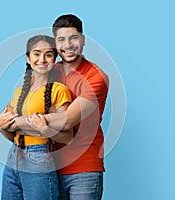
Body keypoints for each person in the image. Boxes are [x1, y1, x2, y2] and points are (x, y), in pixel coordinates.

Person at [9, 14, 109, 200]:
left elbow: (67, 120)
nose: (68, 45)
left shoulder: (95, 77)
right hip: (48, 165)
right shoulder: (49, 69)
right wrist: (13, 120)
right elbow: (17, 107)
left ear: (83, 40)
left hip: (83, 169)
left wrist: (16, 122)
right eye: (61, 39)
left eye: (74, 38)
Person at [0, 35, 73, 200]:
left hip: (40, 158)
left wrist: (44, 129)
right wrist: (2, 128)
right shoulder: (18, 93)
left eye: (48, 54)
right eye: (36, 54)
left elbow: (68, 137)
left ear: (54, 59)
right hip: (13, 156)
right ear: (28, 58)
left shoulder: (59, 90)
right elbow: (10, 132)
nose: (42, 59)